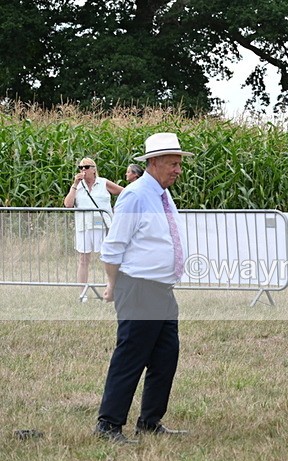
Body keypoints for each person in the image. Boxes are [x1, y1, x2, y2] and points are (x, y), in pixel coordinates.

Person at [95, 132, 193, 443]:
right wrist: (113, 285)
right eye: (172, 164)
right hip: (138, 288)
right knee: (131, 358)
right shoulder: (136, 195)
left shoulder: (162, 194)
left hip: (162, 291)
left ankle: (150, 421)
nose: (178, 169)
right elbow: (113, 247)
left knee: (166, 357)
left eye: (179, 164)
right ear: (153, 163)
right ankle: (108, 425)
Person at [63, 157, 124, 300]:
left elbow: (124, 192)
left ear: (94, 169)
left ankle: (111, 290)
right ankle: (82, 293)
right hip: (84, 225)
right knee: (83, 259)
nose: (83, 170)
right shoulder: (77, 186)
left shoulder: (103, 183)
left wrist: (118, 209)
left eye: (86, 167)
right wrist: (74, 184)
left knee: (107, 257)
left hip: (102, 224)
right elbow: (68, 204)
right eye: (81, 167)